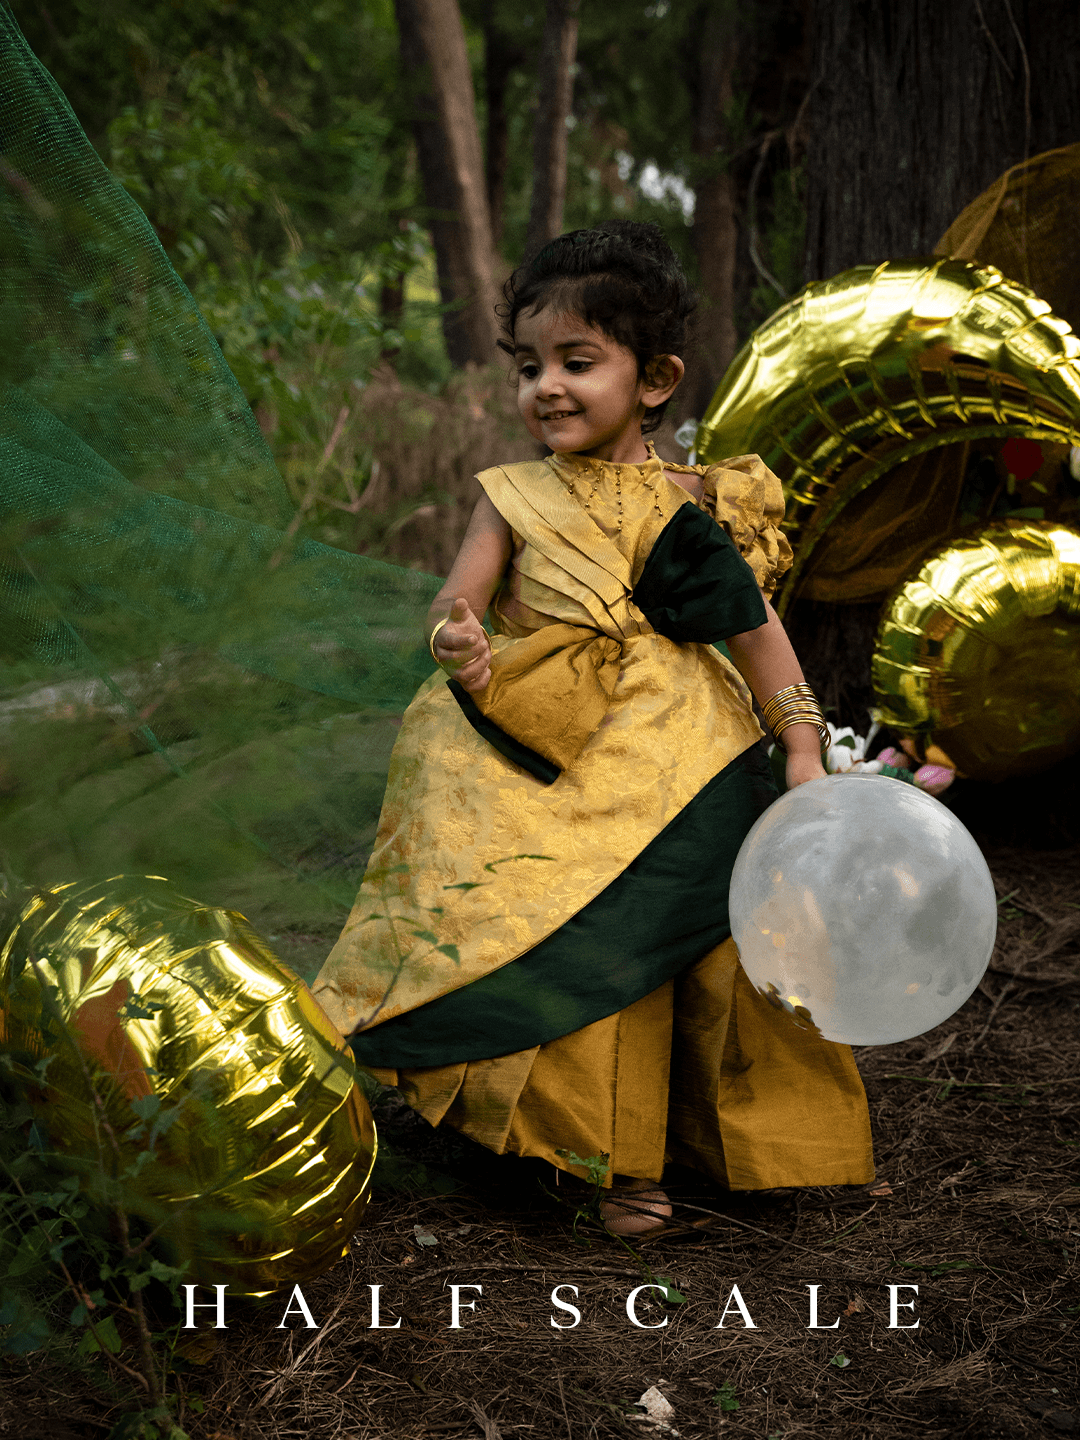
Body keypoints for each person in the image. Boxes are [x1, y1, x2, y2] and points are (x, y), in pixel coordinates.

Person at [313, 220, 875, 1233]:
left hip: (675, 750)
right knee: (537, 919)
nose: (547, 388)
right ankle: (607, 1163)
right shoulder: (515, 497)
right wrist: (459, 640)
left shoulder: (683, 514)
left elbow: (756, 635)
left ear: (654, 377)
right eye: (530, 367)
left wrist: (800, 743)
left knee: (667, 926)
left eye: (579, 361)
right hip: (532, 736)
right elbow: (460, 598)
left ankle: (718, 1145)